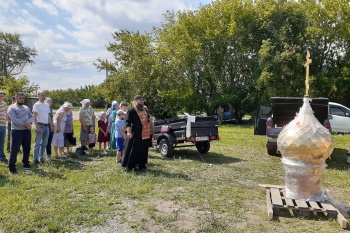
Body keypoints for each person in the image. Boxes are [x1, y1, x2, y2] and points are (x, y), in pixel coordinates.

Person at [122, 95, 151, 172]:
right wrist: (128, 132)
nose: (141, 101)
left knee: (143, 149)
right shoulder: (131, 110)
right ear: (135, 101)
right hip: (135, 131)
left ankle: (142, 165)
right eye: (139, 100)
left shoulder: (145, 109)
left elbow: (147, 117)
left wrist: (149, 119)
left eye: (142, 99)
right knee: (134, 149)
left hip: (144, 131)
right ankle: (130, 166)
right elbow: (127, 122)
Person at [7, 92, 33, 174]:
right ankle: (12, 167)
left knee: (27, 148)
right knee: (14, 150)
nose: (22, 100)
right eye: (20, 98)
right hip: (17, 131)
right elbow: (14, 120)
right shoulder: (12, 108)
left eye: (23, 98)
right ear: (16, 98)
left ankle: (25, 163)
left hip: (27, 131)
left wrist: (29, 122)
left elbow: (31, 116)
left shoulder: (26, 107)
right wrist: (25, 124)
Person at [33, 90, 54, 164]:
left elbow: (48, 116)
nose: (44, 96)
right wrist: (37, 127)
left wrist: (51, 125)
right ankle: (35, 159)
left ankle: (41, 158)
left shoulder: (46, 105)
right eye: (42, 95)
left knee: (44, 143)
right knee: (37, 143)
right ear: (38, 96)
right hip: (40, 125)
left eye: (44, 95)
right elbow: (34, 116)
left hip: (46, 126)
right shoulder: (36, 105)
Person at [0, 91, 8, 162]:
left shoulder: (5, 104)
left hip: (3, 126)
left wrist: (8, 120)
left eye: (2, 96)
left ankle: (2, 157)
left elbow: (6, 113)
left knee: (2, 142)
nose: (1, 97)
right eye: (0, 96)